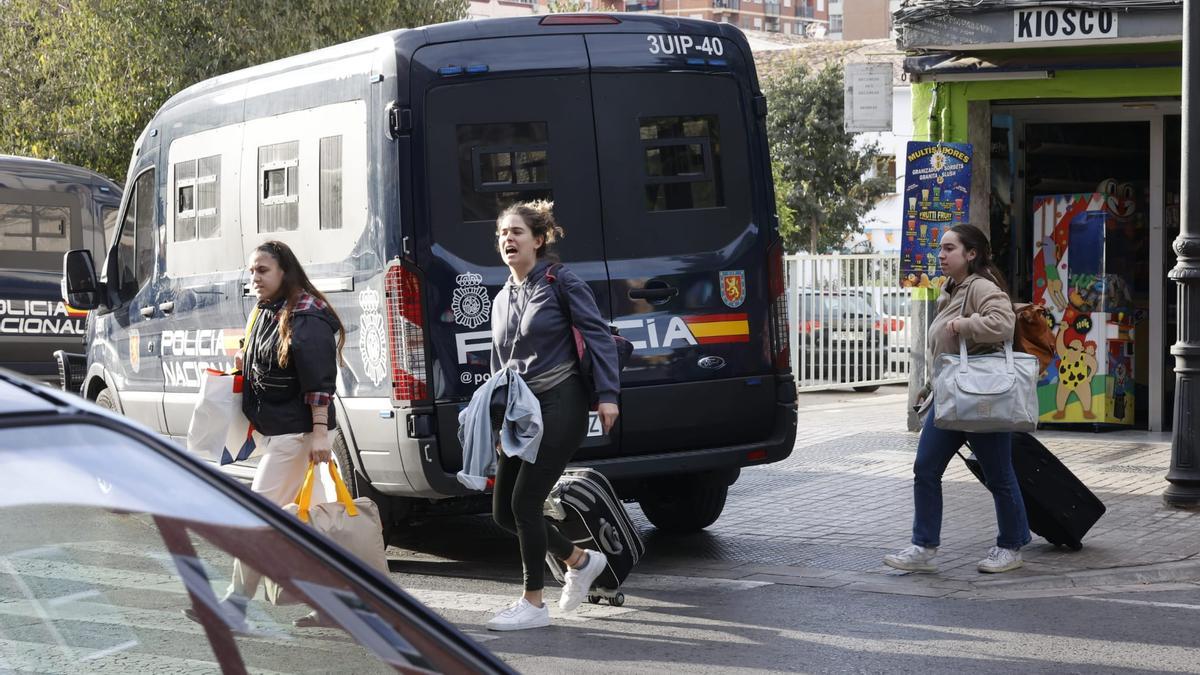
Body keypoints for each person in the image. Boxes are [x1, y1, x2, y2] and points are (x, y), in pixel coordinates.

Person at [185, 239, 346, 628]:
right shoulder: (265, 310)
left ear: (284, 272)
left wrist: (320, 434)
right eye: (252, 270)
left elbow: (319, 382)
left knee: (256, 516)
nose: (254, 277)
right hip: (286, 434)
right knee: (316, 525)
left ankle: (235, 603)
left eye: (262, 270)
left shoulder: (306, 316)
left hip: (301, 436)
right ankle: (339, 604)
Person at [485, 201, 620, 631]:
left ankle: (533, 603)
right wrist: (494, 416)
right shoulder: (503, 295)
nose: (508, 239)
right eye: (503, 233)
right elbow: (499, 362)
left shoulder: (560, 281)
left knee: (525, 502)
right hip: (522, 413)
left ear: (538, 240)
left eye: (517, 232)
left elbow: (597, 334)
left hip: (561, 404)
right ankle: (580, 560)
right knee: (505, 513)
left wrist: (608, 395)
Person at [885, 224, 1031, 575]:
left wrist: (964, 325)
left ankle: (1011, 546)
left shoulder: (981, 286)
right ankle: (924, 545)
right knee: (925, 468)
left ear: (971, 254)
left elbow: (1003, 324)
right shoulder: (950, 290)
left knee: (998, 474)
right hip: (950, 397)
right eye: (940, 249)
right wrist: (931, 385)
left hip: (980, 398)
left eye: (949, 248)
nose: (941, 255)